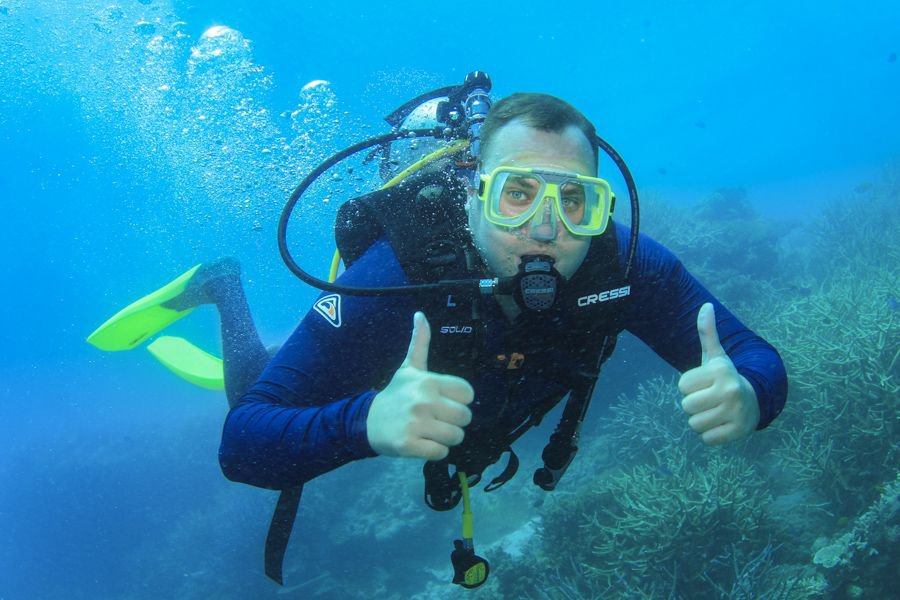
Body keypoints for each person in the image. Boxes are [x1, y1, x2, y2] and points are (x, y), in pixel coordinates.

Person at [89, 91, 786, 586]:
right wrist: (365, 421)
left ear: (601, 207)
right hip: (377, 377)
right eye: (518, 193)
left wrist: (752, 394)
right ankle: (221, 285)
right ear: (475, 193)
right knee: (251, 381)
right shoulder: (396, 273)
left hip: (437, 406)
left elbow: (751, 354)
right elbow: (244, 443)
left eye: (575, 199)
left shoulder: (628, 265)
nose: (548, 226)